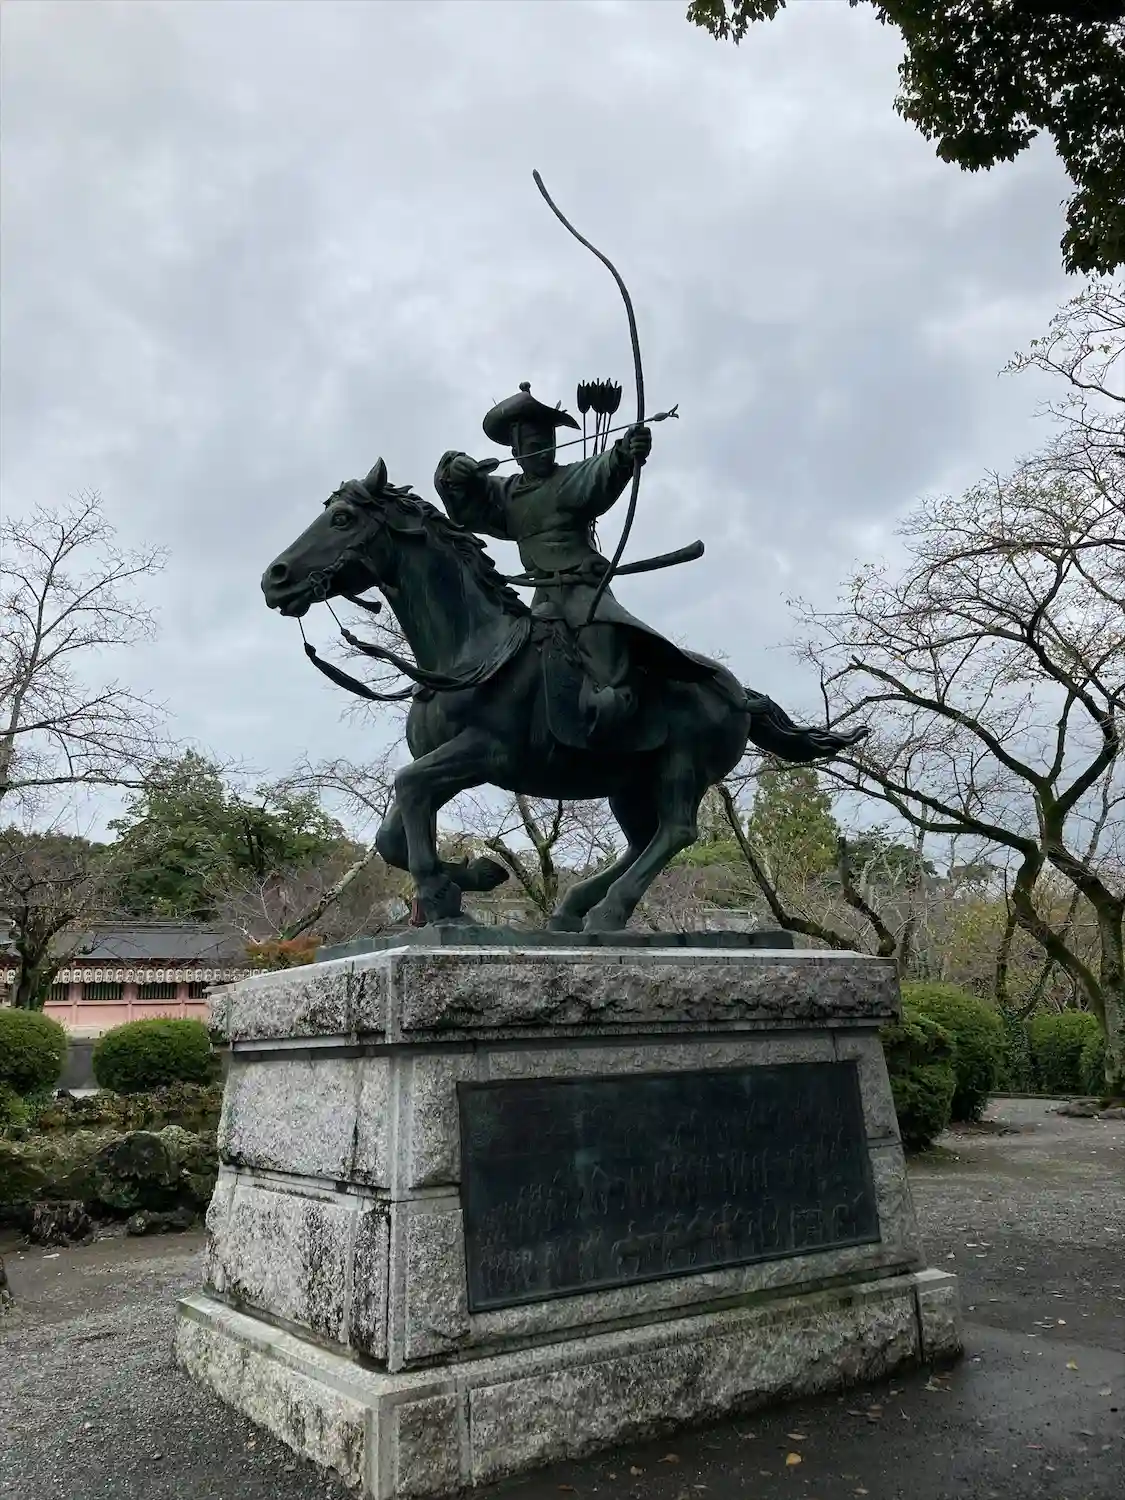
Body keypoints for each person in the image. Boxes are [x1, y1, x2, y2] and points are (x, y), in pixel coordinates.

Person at [434, 382, 703, 742]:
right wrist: (453, 469)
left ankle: (618, 720)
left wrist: (625, 452)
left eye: (548, 444)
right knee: (519, 663)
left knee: (601, 644)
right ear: (516, 452)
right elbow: (468, 503)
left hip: (582, 591)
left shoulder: (569, 478)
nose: (544, 453)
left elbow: (601, 470)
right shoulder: (505, 493)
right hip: (542, 597)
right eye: (533, 447)